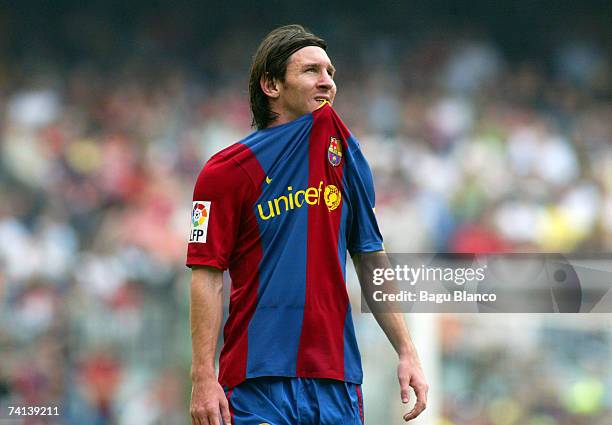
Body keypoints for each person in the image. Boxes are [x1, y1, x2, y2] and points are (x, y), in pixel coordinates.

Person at [187, 24, 428, 425]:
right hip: (257, 380)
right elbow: (206, 275)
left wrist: (407, 350)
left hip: (337, 380)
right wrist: (202, 375)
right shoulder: (225, 172)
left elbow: (371, 259)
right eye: (312, 71)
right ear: (271, 84)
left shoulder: (347, 157)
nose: (327, 83)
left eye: (331, 73)